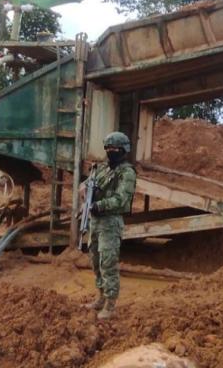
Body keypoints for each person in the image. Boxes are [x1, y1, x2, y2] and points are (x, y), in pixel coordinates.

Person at [83, 131, 136, 320]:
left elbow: (122, 199)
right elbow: (88, 185)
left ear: (122, 150)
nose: (109, 152)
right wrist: (89, 192)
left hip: (111, 222)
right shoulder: (102, 169)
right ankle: (101, 297)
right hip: (96, 221)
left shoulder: (127, 172)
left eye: (113, 149)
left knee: (108, 262)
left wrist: (101, 204)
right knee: (96, 259)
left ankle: (110, 305)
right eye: (107, 148)